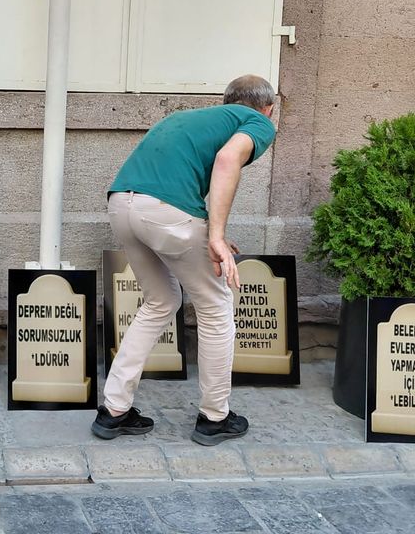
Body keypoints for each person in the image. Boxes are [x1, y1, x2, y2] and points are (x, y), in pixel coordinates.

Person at [92, 74, 277, 446]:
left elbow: (176, 175)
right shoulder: (257, 121)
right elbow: (227, 161)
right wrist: (216, 236)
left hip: (121, 204)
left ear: (226, 101)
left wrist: (209, 231)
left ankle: (113, 410)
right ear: (269, 109)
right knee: (215, 306)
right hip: (167, 212)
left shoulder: (188, 118)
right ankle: (215, 417)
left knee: (160, 301)